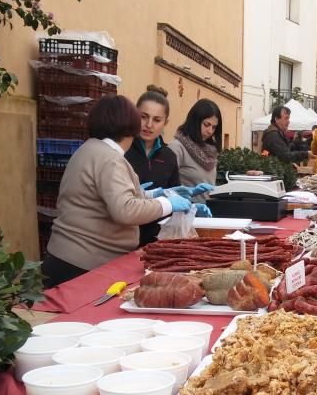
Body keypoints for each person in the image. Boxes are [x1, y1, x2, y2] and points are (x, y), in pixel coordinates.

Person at [43, 95, 200, 288]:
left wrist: (155, 195)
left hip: (66, 257)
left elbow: (106, 196)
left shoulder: (89, 149)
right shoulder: (110, 159)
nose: (147, 125)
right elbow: (124, 210)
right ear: (130, 126)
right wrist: (167, 204)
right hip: (83, 264)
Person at [124, 87, 212, 248]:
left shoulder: (169, 156)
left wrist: (190, 206)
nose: (149, 125)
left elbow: (175, 198)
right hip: (123, 240)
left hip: (158, 241)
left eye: (157, 120)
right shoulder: (123, 150)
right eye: (143, 117)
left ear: (166, 122)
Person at [168, 98, 223, 199]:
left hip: (208, 211)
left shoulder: (211, 152)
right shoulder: (177, 148)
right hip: (186, 211)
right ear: (195, 121)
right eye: (206, 125)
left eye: (214, 127)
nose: (210, 131)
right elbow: (167, 187)